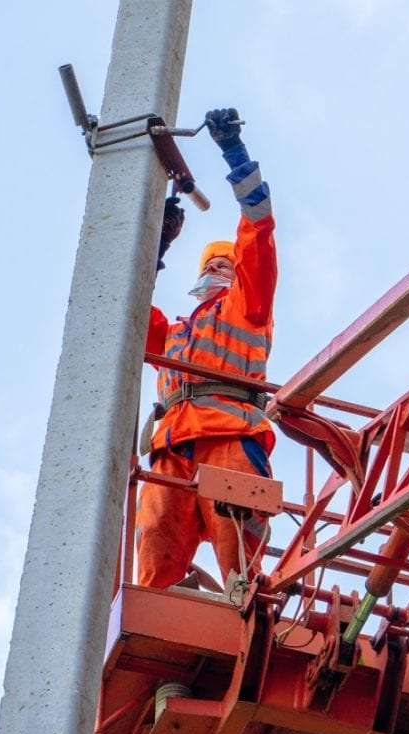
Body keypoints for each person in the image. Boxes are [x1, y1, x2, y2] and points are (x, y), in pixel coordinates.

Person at [136, 108, 277, 589]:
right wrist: (152, 250)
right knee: (154, 552)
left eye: (226, 264)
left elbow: (258, 230)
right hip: (172, 446)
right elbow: (126, 314)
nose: (219, 269)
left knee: (240, 562)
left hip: (231, 434)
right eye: (212, 264)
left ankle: (248, 616)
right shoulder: (175, 332)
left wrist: (236, 155)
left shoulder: (247, 305)